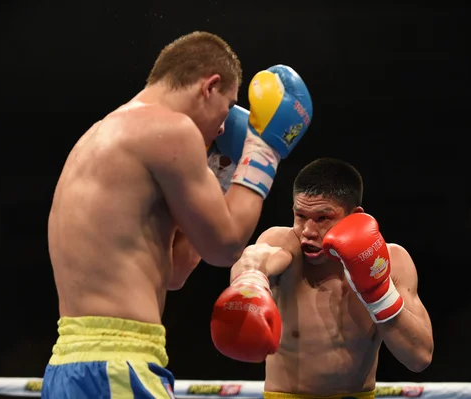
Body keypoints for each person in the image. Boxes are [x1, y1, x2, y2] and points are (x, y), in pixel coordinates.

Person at [42, 31, 313, 399]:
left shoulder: (102, 135)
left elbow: (175, 270)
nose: (223, 126)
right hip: (117, 364)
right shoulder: (171, 129)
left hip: (71, 364)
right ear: (209, 87)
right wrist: (263, 151)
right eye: (228, 105)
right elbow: (227, 244)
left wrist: (220, 175)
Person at [211, 158, 434, 399]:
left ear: (355, 216)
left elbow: (420, 357)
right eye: (300, 216)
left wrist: (379, 294)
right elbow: (256, 257)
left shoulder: (392, 261)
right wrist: (251, 280)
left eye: (322, 218)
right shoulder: (285, 244)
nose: (307, 231)